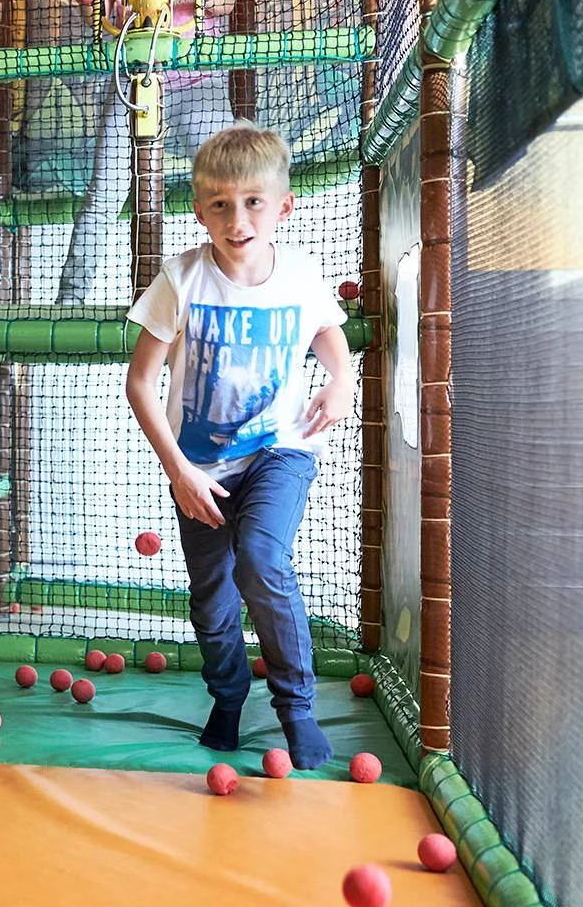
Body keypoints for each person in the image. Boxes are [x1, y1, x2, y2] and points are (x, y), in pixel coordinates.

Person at [122, 123, 353, 770]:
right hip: (202, 467)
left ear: (284, 207)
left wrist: (342, 381)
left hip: (282, 451)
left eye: (253, 202)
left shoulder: (300, 275)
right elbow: (140, 383)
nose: (237, 219)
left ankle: (296, 708)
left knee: (261, 558)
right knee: (212, 598)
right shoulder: (182, 279)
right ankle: (227, 698)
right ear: (199, 212)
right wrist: (179, 472)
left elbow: (327, 333)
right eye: (220, 204)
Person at [59, 0, 238, 305]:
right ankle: (70, 300)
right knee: (105, 193)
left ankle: (235, 286)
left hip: (196, 83)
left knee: (228, 180)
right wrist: (92, 0)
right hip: (134, 84)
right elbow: (102, 15)